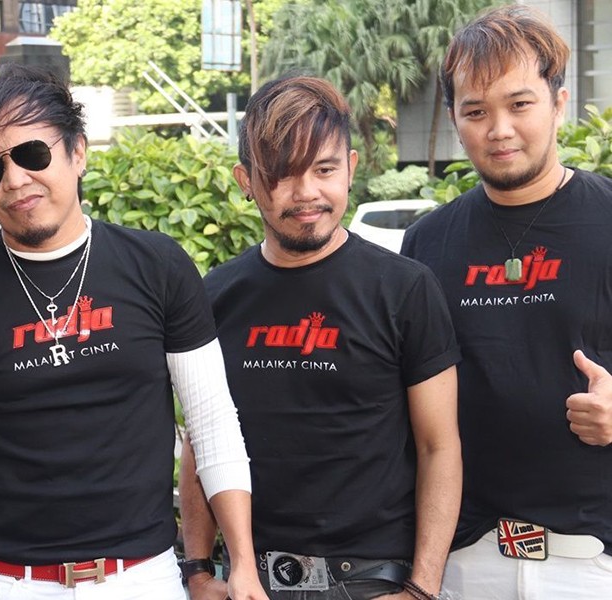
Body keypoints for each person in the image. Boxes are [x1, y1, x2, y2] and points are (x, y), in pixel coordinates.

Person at [0, 63, 267, 600]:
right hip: (8, 584)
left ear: (78, 152)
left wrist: (243, 562)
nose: (15, 180)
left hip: (144, 578)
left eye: (32, 154)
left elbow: (211, 421)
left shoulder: (158, 266)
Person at [178, 75, 463, 600]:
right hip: (253, 580)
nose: (306, 192)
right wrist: (197, 570)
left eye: (324, 169)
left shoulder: (405, 288)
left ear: (351, 168)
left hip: (375, 579)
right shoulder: (215, 295)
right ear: (246, 180)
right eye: (282, 174)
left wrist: (422, 589)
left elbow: (438, 446)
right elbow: (202, 442)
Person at [401, 5, 612, 598]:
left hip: (592, 564)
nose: (498, 129)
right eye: (476, 111)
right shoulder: (426, 244)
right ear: (454, 118)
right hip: (466, 561)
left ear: (559, 104)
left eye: (520, 104)